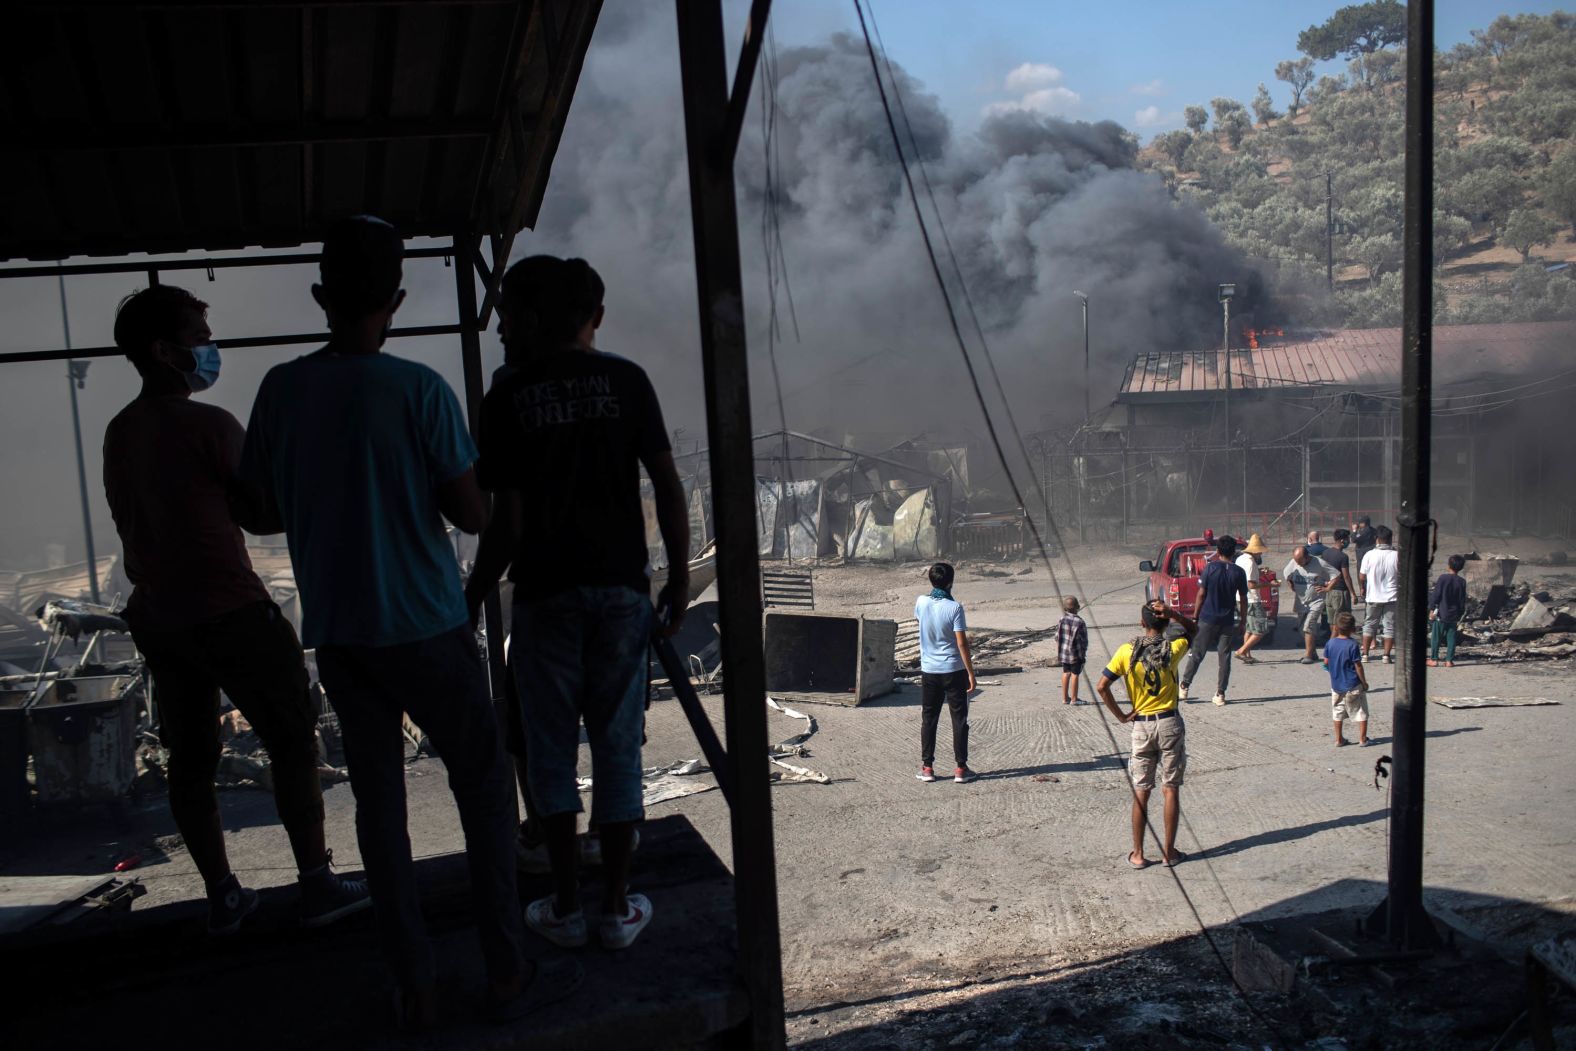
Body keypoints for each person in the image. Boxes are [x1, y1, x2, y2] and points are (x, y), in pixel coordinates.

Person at [239, 217, 574, 1027]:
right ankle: (504, 967)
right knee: (486, 788)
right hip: (426, 624)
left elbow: (255, 511)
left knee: (381, 811)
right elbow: (469, 514)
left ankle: (415, 983)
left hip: (344, 636)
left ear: (321, 297)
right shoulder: (420, 390)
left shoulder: (281, 389)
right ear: (395, 298)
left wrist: (321, 492)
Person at [102, 285, 370, 937]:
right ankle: (316, 883)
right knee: (292, 740)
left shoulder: (120, 432)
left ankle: (224, 896)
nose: (208, 349)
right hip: (231, 610)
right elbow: (261, 513)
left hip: (161, 618)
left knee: (190, 759)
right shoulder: (208, 426)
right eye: (198, 338)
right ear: (165, 351)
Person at [464, 254, 690, 952]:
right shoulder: (627, 380)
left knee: (551, 753)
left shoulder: (508, 397)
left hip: (545, 594)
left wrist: (473, 592)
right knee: (620, 747)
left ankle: (565, 904)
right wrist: (678, 578)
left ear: (534, 317)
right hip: (622, 592)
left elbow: (507, 524)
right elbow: (667, 483)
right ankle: (617, 909)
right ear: (590, 316)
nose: (504, 331)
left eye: (509, 318)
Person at [1097, 600, 1197, 869]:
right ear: (1165, 623)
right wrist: (1175, 613)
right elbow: (1193, 631)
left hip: (1141, 725)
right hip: (1169, 723)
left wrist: (1120, 715)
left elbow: (1102, 685)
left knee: (1142, 790)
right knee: (1170, 788)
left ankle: (1138, 853)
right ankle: (1169, 852)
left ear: (1142, 623)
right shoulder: (1172, 648)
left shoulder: (1126, 652)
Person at [911, 562, 978, 783]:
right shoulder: (955, 608)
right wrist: (971, 672)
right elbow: (961, 643)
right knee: (959, 719)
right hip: (953, 669)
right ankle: (961, 768)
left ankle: (927, 767)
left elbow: (922, 623)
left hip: (929, 670)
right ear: (950, 582)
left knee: (929, 719)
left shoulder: (921, 602)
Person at [1179, 535, 1247, 706]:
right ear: (1234, 552)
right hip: (1227, 621)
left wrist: (1194, 617)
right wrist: (1243, 621)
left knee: (1197, 653)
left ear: (1217, 551)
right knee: (1224, 657)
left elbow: (1201, 594)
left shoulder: (1210, 569)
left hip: (1207, 618)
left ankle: (1184, 686)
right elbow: (1244, 599)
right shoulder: (1239, 572)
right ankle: (1220, 693)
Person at [1282, 545, 1333, 664]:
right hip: (1301, 602)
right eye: (1296, 561)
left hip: (1316, 601)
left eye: (1300, 561)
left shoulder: (1319, 563)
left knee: (1308, 626)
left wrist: (1327, 588)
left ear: (1307, 557)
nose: (1298, 564)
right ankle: (1313, 652)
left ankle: (1308, 655)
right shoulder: (1294, 562)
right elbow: (1287, 575)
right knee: (1301, 629)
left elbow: (1336, 575)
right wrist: (1291, 585)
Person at [1324, 612, 1370, 746]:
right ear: (1353, 629)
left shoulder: (1330, 643)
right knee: (1361, 711)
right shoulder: (1352, 645)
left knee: (1337, 711)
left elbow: (1326, 661)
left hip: (1336, 685)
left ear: (1336, 628)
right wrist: (1364, 682)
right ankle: (1363, 739)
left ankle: (1339, 739)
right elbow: (1358, 666)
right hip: (1353, 684)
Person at [1360, 525, 1400, 664]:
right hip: (1392, 597)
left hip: (1373, 597)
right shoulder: (1397, 555)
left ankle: (1365, 654)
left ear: (1377, 539)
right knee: (1389, 626)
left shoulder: (1369, 555)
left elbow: (1362, 576)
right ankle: (1386, 656)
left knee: (1369, 625)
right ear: (1391, 539)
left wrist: (1363, 588)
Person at [1233, 534, 1270, 664]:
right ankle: (1241, 651)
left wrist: (1259, 571)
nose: (1261, 554)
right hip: (1252, 600)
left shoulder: (1240, 559)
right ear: (1256, 551)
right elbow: (1251, 584)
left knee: (1249, 628)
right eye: (1260, 552)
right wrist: (1270, 584)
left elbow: (1246, 576)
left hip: (1240, 598)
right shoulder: (1251, 563)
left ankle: (1247, 655)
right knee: (1260, 629)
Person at [1429, 554, 1468, 668]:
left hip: (1442, 613)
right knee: (1451, 638)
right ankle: (1449, 661)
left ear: (1449, 565)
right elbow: (1462, 600)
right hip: (1454, 614)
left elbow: (1436, 596)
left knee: (1436, 637)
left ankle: (1434, 659)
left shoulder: (1443, 578)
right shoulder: (1462, 581)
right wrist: (1460, 613)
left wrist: (1431, 609)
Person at [1319, 528, 1357, 626]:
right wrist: (1353, 594)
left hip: (1329, 592)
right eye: (1347, 539)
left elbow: (1322, 572)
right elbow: (1346, 577)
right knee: (1342, 622)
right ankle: (1335, 640)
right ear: (1342, 540)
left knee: (1332, 623)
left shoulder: (1325, 553)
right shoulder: (1343, 556)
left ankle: (1333, 640)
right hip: (1340, 593)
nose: (1349, 541)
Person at [1056, 596, 1088, 705]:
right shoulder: (1080, 622)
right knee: (1075, 674)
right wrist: (1083, 655)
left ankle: (1065, 699)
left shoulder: (1062, 619)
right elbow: (1084, 641)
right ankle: (1074, 699)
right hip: (1075, 654)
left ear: (1065, 608)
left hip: (1064, 654)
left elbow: (1057, 636)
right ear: (1078, 607)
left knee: (1066, 673)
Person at [1351, 516, 1377, 597]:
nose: (1358, 524)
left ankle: (1363, 592)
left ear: (1364, 523)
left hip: (1362, 555)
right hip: (1371, 553)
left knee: (1361, 573)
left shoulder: (1364, 531)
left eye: (1360, 523)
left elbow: (1354, 539)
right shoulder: (1373, 530)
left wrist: (1354, 530)